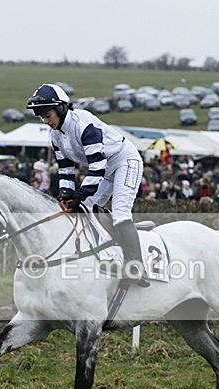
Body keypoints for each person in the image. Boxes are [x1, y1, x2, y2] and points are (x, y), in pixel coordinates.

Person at [26, 83, 149, 287]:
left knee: (120, 214)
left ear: (61, 108)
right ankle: (109, 256)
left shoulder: (83, 124)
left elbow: (98, 165)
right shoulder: (55, 135)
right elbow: (65, 169)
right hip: (104, 168)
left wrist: (81, 193)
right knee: (83, 210)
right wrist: (66, 195)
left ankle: (137, 267)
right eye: (42, 117)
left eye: (48, 115)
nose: (46, 121)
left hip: (124, 162)